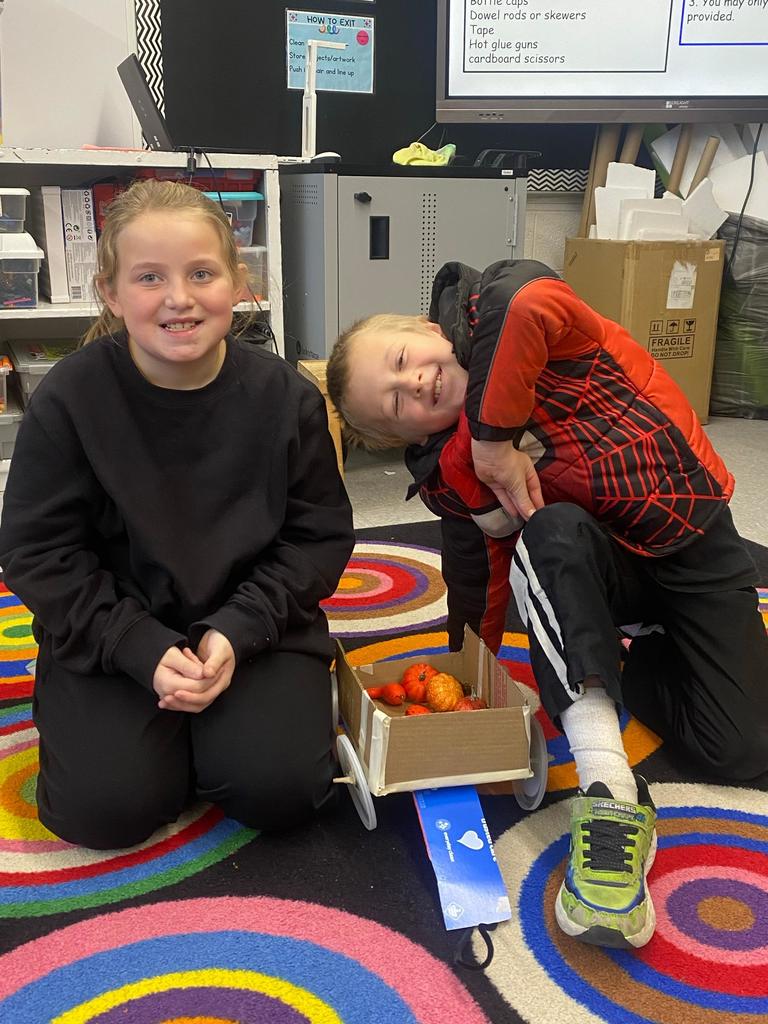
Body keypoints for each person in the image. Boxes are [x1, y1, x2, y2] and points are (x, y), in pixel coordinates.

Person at [327, 259, 768, 949]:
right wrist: (467, 674)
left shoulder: (495, 310)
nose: (413, 381)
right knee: (547, 529)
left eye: (404, 359)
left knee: (740, 751)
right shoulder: (449, 471)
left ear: (426, 329)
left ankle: (650, 659)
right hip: (596, 567)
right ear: (409, 438)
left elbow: (525, 299)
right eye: (396, 402)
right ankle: (610, 792)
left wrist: (495, 440)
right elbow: (476, 572)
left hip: (692, 541)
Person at [0, 179, 355, 851]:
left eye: (201, 273)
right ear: (109, 292)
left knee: (281, 792)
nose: (179, 299)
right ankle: (157, 739)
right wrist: (139, 647)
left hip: (255, 629)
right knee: (103, 812)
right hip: (113, 632)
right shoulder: (69, 400)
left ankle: (218, 733)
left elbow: (318, 538)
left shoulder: (286, 399)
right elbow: (38, 553)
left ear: (238, 279)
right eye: (149, 277)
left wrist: (236, 631)